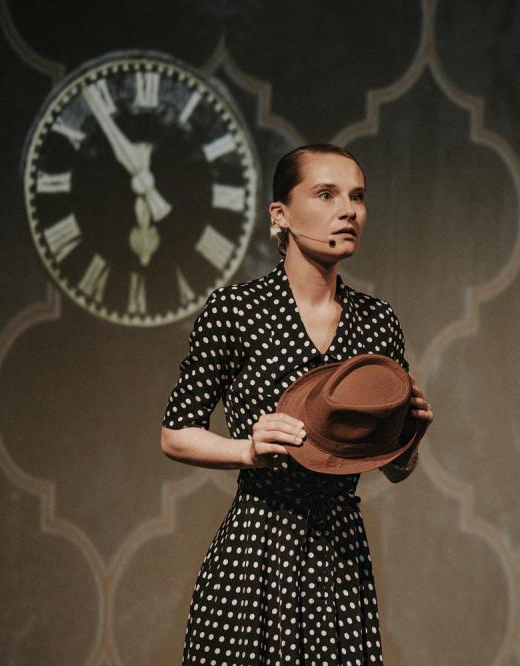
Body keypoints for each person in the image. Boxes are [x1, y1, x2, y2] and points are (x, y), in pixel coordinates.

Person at [161, 143, 433, 664]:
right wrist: (247, 450)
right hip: (257, 549)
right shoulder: (237, 310)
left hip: (339, 554)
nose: (348, 210)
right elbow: (175, 433)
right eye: (326, 194)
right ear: (280, 215)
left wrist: (410, 439)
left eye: (357, 197)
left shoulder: (378, 322)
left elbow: (392, 467)